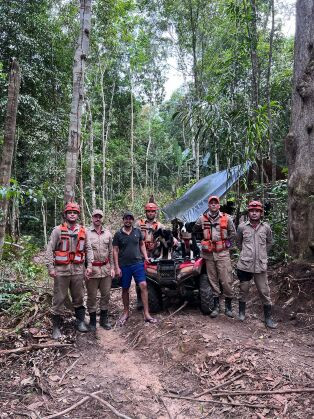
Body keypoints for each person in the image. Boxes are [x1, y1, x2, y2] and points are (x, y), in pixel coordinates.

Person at [46, 202, 93, 339]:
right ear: (65, 215)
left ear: (78, 215)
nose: (72, 214)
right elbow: (50, 249)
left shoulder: (83, 231)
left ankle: (80, 322)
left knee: (79, 297)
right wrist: (50, 267)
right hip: (61, 270)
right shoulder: (58, 230)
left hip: (78, 270)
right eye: (69, 212)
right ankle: (56, 328)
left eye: (75, 212)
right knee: (59, 298)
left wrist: (89, 266)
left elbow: (88, 249)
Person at [236, 200, 277, 329]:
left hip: (260, 265)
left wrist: (262, 254)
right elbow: (238, 243)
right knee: (244, 290)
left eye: (257, 211)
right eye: (252, 211)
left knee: (265, 291)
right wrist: (246, 254)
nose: (254, 213)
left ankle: (268, 318)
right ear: (249, 213)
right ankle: (241, 312)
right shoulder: (242, 227)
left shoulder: (266, 227)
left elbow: (270, 243)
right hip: (245, 265)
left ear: (261, 213)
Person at [194, 195, 236, 318]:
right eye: (211, 203)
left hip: (222, 253)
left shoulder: (226, 218)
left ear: (219, 205)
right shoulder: (202, 219)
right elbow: (195, 230)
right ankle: (216, 307)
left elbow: (233, 234)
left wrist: (228, 245)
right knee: (212, 280)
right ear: (208, 205)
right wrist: (201, 243)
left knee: (226, 280)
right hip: (208, 254)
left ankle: (228, 307)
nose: (213, 205)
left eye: (215, 203)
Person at [113, 211, 157, 324]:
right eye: (126, 218)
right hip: (124, 265)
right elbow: (115, 250)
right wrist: (117, 267)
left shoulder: (137, 231)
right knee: (125, 288)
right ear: (123, 220)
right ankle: (126, 312)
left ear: (132, 220)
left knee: (143, 285)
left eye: (130, 218)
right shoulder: (118, 234)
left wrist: (146, 257)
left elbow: (142, 244)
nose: (128, 220)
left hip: (137, 263)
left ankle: (146, 313)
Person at [86, 209, 115, 331]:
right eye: (95, 216)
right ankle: (92, 321)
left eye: (100, 216)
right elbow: (84, 252)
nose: (97, 218)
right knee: (92, 296)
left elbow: (111, 252)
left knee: (106, 295)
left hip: (105, 269)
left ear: (102, 218)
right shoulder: (86, 233)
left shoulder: (108, 234)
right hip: (92, 270)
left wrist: (113, 268)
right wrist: (85, 269)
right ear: (92, 218)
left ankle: (104, 319)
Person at [134, 202, 164, 309]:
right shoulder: (138, 224)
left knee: (155, 278)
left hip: (155, 255)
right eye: (149, 211)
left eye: (152, 211)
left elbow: (166, 237)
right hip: (140, 256)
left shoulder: (160, 225)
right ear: (146, 212)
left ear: (155, 213)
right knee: (140, 279)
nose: (151, 213)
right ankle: (140, 300)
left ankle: (156, 297)